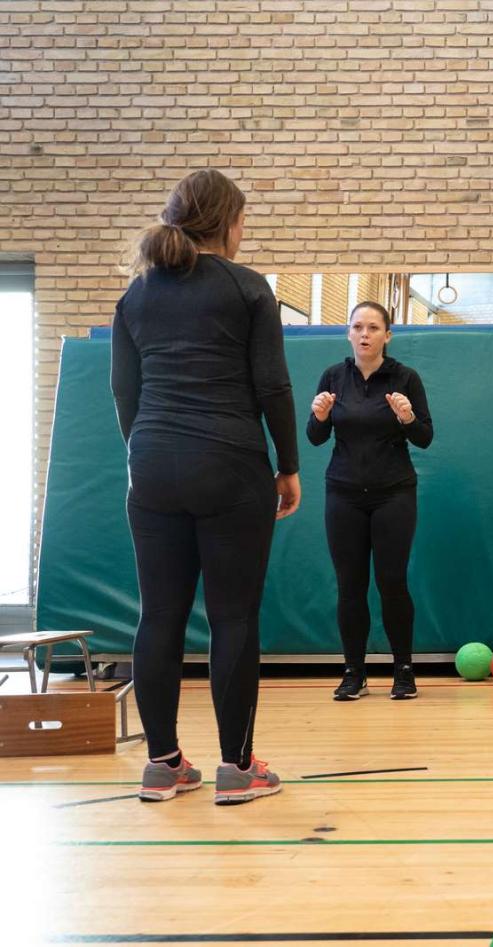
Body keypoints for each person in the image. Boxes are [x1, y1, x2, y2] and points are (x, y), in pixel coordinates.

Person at [111, 169, 302, 806]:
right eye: (243, 222)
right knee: (232, 617)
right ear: (224, 223)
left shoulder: (136, 295)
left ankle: (162, 765)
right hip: (229, 464)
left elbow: (125, 392)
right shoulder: (247, 288)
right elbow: (273, 386)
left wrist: (147, 454)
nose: (245, 235)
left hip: (154, 466)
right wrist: (289, 464)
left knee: (159, 614)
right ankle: (237, 767)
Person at [307, 301, 433, 701]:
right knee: (350, 586)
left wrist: (408, 418)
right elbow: (314, 437)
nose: (365, 334)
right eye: (358, 327)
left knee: (392, 582)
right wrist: (320, 416)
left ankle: (404, 670)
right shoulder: (333, 377)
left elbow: (425, 437)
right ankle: (353, 672)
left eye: (373, 328)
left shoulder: (405, 377)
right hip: (343, 494)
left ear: (387, 336)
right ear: (348, 333)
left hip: (393, 493)